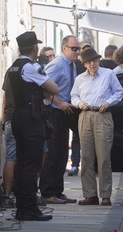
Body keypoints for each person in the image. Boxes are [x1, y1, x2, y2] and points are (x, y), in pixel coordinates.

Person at [8, 31, 58, 221]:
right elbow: (54, 89)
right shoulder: (31, 67)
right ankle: (30, 209)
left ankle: (23, 207)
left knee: (22, 164)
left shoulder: (14, 67)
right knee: (32, 165)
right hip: (31, 118)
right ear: (35, 48)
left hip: (19, 116)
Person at [70, 48, 123, 205]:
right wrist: (79, 103)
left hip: (102, 114)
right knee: (86, 157)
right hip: (85, 115)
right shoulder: (80, 78)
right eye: (88, 62)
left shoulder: (108, 74)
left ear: (99, 59)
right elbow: (73, 96)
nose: (92, 64)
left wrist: (109, 102)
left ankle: (105, 195)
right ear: (84, 64)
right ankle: (90, 195)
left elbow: (119, 92)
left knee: (104, 156)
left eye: (94, 60)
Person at [39, 35, 80, 204]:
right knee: (53, 154)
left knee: (63, 154)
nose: (77, 52)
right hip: (54, 112)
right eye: (74, 49)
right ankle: (47, 193)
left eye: (78, 49)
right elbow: (43, 88)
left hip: (65, 111)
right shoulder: (56, 64)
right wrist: (60, 103)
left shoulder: (72, 65)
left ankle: (57, 192)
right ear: (64, 48)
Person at [67, 41, 91, 177]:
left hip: (92, 107)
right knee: (77, 136)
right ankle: (75, 164)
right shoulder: (75, 66)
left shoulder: (95, 67)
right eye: (82, 50)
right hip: (77, 106)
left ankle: (91, 165)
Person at [1, 70, 17, 208]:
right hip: (27, 119)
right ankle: (28, 193)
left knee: (10, 156)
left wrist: (4, 122)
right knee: (36, 154)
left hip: (11, 118)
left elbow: (4, 100)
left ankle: (7, 195)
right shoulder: (32, 68)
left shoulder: (10, 71)